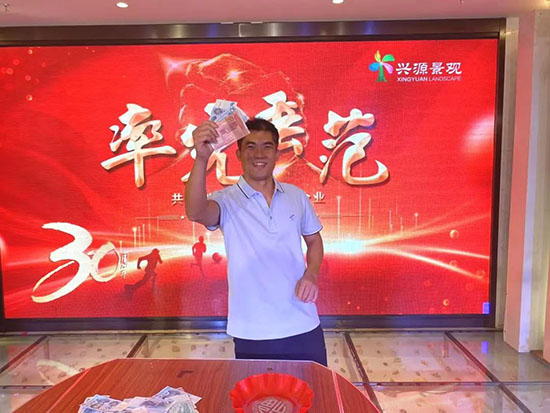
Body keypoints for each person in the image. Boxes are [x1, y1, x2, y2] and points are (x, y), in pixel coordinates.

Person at [185, 117, 327, 366]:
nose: (259, 154)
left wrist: (311, 274)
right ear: (239, 154)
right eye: (250, 147)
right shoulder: (226, 200)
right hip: (252, 330)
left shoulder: (296, 196)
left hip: (303, 322)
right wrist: (201, 158)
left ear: (277, 153)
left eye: (267, 146)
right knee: (256, 391)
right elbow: (196, 212)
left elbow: (314, 241)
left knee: (314, 389)